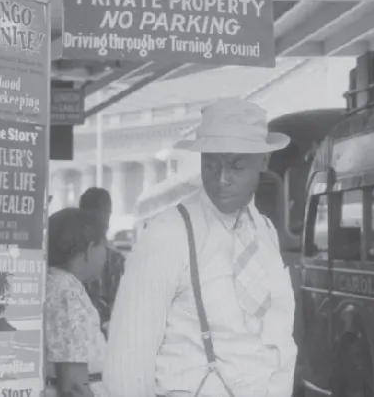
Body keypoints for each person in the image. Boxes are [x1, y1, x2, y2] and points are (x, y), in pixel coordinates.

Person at [104, 99, 296, 397]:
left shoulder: (266, 232)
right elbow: (127, 363)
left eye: (236, 165)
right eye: (211, 164)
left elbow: (278, 339)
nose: (221, 179)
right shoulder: (169, 233)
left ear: (265, 162)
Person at [44, 207, 110, 397]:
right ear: (90, 249)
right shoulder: (66, 290)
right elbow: (73, 385)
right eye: (104, 247)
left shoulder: (53, 282)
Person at [79, 187, 127, 337]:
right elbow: (120, 307)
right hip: (102, 338)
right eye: (105, 213)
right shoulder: (115, 259)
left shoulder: (67, 251)